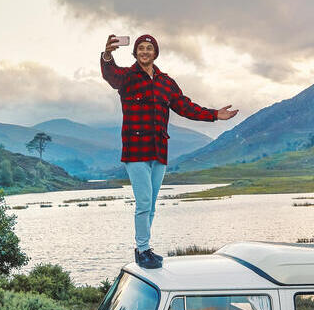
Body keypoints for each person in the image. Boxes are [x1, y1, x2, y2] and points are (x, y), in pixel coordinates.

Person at [100, 33, 238, 268]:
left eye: (149, 48)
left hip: (159, 150)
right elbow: (110, 75)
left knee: (151, 204)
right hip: (135, 150)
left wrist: (214, 114)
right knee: (143, 202)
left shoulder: (166, 82)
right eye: (141, 48)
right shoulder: (127, 77)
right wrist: (107, 55)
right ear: (135, 53)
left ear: (155, 53)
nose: (145, 52)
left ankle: (144, 248)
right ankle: (143, 249)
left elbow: (185, 107)